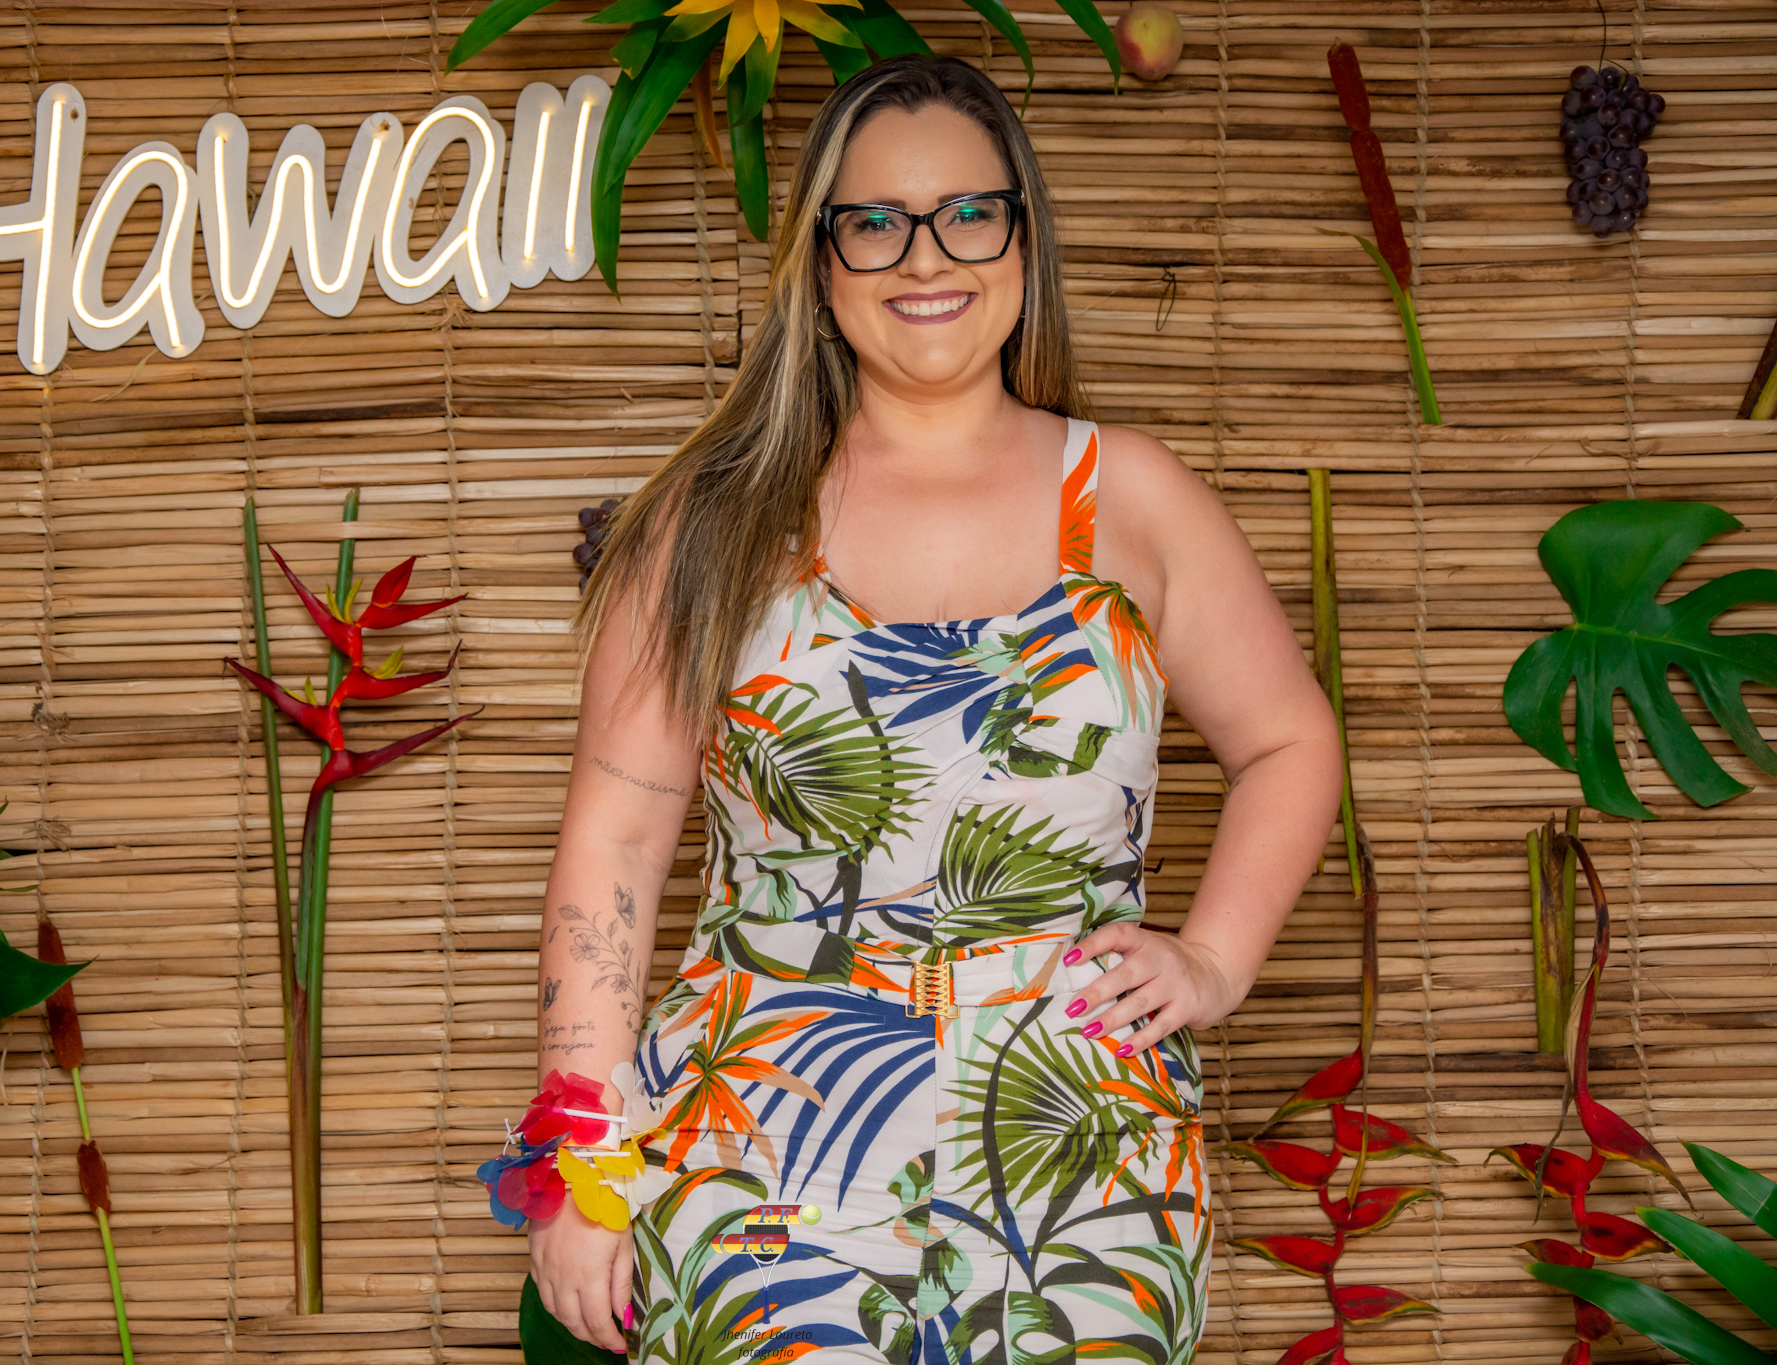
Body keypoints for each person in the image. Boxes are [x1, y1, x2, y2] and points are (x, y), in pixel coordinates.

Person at [527, 53, 1341, 1365]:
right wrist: (582, 1154)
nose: (926, 256)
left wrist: (1215, 958)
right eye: (876, 221)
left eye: (969, 212)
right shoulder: (709, 522)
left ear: (1023, 236)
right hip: (758, 1150)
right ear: (822, 260)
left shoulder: (1134, 499)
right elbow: (613, 844)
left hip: (1082, 1147)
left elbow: (1291, 742)